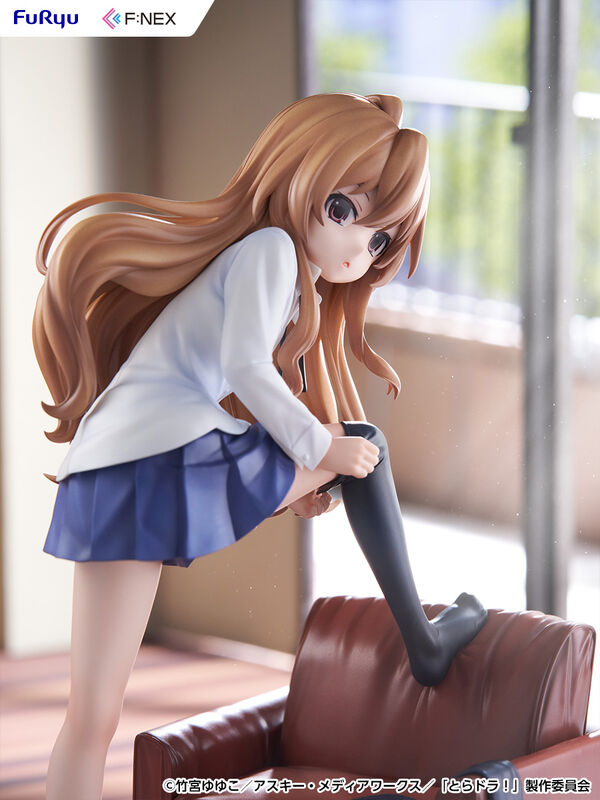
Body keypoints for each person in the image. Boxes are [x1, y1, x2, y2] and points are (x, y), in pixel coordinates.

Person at [33, 93, 487, 800]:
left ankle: (425, 640)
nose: (356, 248)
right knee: (361, 446)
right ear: (299, 176)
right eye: (343, 209)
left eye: (378, 242)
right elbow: (246, 366)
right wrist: (318, 449)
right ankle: (424, 644)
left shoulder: (280, 272)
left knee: (93, 714)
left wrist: (316, 452)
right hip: (160, 457)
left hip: (115, 466)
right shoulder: (272, 250)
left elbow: (245, 372)